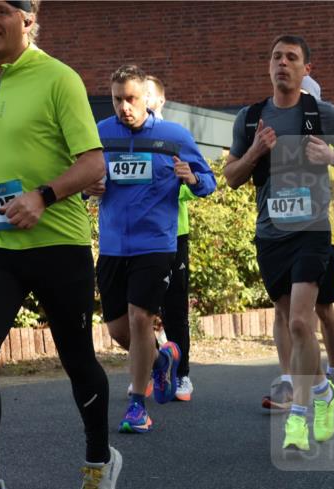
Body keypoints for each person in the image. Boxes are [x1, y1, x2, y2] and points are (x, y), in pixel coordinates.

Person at [0, 0, 116, 489]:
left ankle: (98, 460)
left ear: (28, 19)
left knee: (75, 356)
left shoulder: (59, 79)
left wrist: (43, 196)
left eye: (1, 10)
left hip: (57, 244)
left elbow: (94, 163)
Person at [225, 35, 334, 450]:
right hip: (271, 235)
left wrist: (332, 158)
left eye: (292, 58)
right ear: (269, 67)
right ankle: (323, 390)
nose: (282, 63)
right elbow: (231, 178)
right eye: (276, 57)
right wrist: (254, 153)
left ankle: (299, 420)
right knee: (288, 318)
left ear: (306, 68)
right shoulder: (250, 118)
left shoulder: (323, 114)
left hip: (313, 232)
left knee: (303, 320)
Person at [87, 64, 215, 434]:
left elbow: (208, 180)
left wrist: (192, 178)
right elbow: (84, 176)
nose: (124, 107)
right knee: (119, 331)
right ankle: (162, 360)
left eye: (130, 99)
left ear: (146, 98)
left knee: (140, 317)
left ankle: (136, 405)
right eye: (117, 99)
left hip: (156, 243)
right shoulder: (101, 134)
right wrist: (88, 188)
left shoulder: (173, 135)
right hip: (113, 245)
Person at [261, 75, 334, 412]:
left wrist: (326, 164)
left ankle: (333, 367)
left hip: (319, 236)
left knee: (323, 311)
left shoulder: (328, 135)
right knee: (286, 313)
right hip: (281, 235)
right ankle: (290, 381)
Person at [144, 74, 197, 401]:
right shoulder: (126, 138)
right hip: (137, 238)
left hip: (173, 234)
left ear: (160, 101)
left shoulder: (175, 138)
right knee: (138, 311)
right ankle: (152, 365)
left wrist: (166, 189)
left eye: (148, 95)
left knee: (175, 308)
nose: (142, 100)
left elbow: (196, 185)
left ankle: (183, 376)